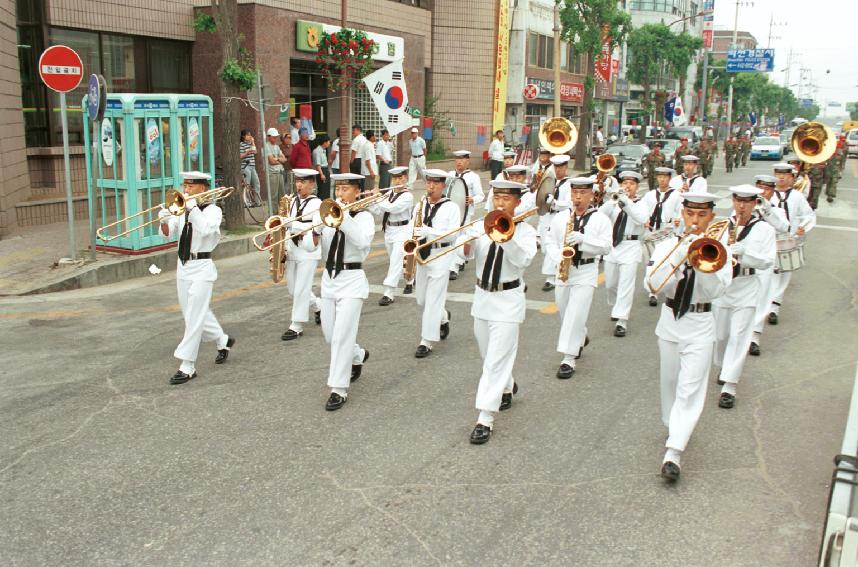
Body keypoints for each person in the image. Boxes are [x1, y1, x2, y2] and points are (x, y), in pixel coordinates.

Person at [645, 192, 733, 482]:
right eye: (690, 215)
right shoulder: (668, 245)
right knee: (669, 383)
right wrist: (678, 261)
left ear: (711, 217)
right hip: (670, 321)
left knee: (690, 389)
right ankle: (674, 427)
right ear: (683, 214)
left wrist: (699, 261)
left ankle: (674, 452)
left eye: (702, 216)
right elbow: (653, 286)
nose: (695, 221)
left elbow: (716, 291)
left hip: (700, 324)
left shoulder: (720, 250)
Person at [457, 180, 537, 445]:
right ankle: (507, 384)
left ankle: (484, 419)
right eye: (497, 197)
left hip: (508, 299)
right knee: (487, 354)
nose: (500, 203)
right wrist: (466, 243)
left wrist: (507, 236)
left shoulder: (525, 231)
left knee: (494, 361)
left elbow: (523, 260)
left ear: (517, 202)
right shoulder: (482, 225)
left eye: (506, 198)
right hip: (482, 297)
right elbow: (467, 255)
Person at [158, 171, 235, 385]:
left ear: (202, 188)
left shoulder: (213, 210)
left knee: (194, 316)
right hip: (183, 266)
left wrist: (191, 209)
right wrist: (164, 220)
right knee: (191, 313)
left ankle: (187, 365)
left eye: (190, 187)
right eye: (185, 186)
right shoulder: (183, 209)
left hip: (202, 267)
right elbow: (168, 234)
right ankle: (222, 339)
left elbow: (207, 229)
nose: (186, 190)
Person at [308, 172, 374, 411]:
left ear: (357, 191)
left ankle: (338, 388)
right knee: (329, 335)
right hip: (329, 279)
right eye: (338, 189)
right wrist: (314, 232)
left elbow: (362, 243)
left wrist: (342, 218)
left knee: (342, 336)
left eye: (345, 189)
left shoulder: (364, 217)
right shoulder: (327, 215)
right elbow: (313, 248)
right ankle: (357, 355)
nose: (340, 193)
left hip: (352, 280)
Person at [712, 185, 776, 410]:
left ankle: (730, 385)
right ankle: (723, 366)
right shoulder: (722, 227)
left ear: (754, 203)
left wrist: (744, 253)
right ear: (733, 200)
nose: (742, 206)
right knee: (720, 336)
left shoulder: (764, 230)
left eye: (747, 202)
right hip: (723, 286)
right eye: (738, 200)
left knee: (739, 336)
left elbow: (768, 261)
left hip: (747, 285)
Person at [543, 176, 612, 379]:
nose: (578, 197)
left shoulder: (601, 219)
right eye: (575, 193)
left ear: (591, 195)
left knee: (575, 313)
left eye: (583, 193)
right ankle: (580, 336)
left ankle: (568, 358)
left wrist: (584, 240)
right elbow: (550, 241)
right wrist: (558, 257)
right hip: (564, 270)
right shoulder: (561, 218)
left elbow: (607, 247)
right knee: (565, 311)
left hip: (586, 270)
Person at [411, 169, 461, 358]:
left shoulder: (451, 207)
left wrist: (429, 232)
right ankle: (443, 316)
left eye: (435, 184)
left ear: (444, 186)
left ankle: (426, 341)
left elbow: (454, 234)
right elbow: (413, 227)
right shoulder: (420, 205)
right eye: (428, 183)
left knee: (432, 300)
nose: (430, 187)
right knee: (422, 299)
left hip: (441, 253)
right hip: (423, 253)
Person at [599, 171, 649, 337]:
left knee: (626, 285)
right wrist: (613, 200)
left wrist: (626, 201)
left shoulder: (641, 203)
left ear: (637, 186)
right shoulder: (615, 201)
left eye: (631, 184)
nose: (627, 186)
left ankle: (622, 320)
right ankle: (616, 306)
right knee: (611, 284)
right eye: (625, 183)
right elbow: (599, 215)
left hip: (631, 245)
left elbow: (641, 218)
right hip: (613, 246)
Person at [767, 162, 816, 325]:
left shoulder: (797, 196)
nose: (781, 178)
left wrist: (803, 227)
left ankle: (774, 307)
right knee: (769, 274)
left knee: (783, 275)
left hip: (788, 239)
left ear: (791, 177)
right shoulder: (768, 195)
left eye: (785, 175)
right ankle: (768, 303)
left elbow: (808, 215)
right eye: (778, 174)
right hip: (769, 239)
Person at [748, 175, 790, 357]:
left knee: (762, 300)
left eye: (766, 189)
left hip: (765, 263)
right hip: (746, 259)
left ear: (772, 191)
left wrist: (766, 211)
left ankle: (754, 338)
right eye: (760, 188)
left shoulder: (776, 210)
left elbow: (783, 227)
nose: (763, 192)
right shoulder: (746, 208)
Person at [281, 169, 324, 341]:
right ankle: (319, 305)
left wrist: (293, 224)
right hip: (293, 248)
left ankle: (296, 325)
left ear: (312, 184)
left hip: (308, 250)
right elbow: (286, 226)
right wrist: (283, 246)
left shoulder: (318, 204)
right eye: (297, 181)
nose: (299, 185)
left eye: (303, 182)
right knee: (293, 289)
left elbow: (315, 228)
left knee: (301, 289)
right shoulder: (292, 201)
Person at [371, 166, 414, 306]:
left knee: (396, 260)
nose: (397, 181)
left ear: (405, 178)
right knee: (396, 261)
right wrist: (370, 201)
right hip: (389, 229)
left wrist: (377, 197)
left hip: (403, 230)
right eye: (395, 178)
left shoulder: (408, 196)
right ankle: (410, 280)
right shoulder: (389, 193)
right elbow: (380, 211)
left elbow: (391, 208)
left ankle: (388, 293)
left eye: (400, 178)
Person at [641, 167, 682, 307]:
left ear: (670, 178)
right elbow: (644, 211)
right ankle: (653, 291)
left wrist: (678, 220)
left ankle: (669, 287)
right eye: (659, 177)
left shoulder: (676, 195)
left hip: (667, 230)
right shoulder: (650, 195)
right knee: (651, 261)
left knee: (666, 261)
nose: (662, 179)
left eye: (665, 177)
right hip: (652, 229)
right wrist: (645, 220)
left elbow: (680, 212)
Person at [448, 150, 485, 279]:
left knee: (460, 238)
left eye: (463, 159)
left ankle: (454, 267)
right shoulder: (450, 175)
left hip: (465, 213)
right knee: (452, 238)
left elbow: (481, 195)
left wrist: (472, 199)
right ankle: (460, 260)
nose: (459, 162)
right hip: (451, 212)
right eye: (457, 159)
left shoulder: (473, 177)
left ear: (468, 161)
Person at [540, 154, 572, 292]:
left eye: (561, 167)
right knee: (545, 247)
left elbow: (569, 203)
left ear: (566, 167)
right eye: (556, 167)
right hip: (547, 217)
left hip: (560, 218)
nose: (558, 170)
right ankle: (552, 275)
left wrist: (554, 202)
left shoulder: (570, 184)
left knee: (555, 246)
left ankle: (551, 278)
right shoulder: (549, 181)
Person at [265, 127, 287, 202]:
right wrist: (279, 160)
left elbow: (284, 159)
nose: (275, 139)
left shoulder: (277, 147)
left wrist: (277, 159)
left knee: (282, 194)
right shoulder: (266, 146)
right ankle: (273, 212)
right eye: (274, 137)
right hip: (272, 173)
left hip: (279, 171)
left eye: (276, 137)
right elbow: (272, 162)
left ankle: (282, 212)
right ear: (269, 137)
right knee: (273, 195)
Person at [239, 129, 261, 203]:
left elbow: (255, 151)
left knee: (256, 183)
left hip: (252, 166)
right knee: (247, 184)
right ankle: (247, 202)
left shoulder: (250, 144)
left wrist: (253, 142)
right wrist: (247, 152)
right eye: (248, 135)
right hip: (245, 166)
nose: (250, 136)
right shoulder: (241, 144)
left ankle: (257, 201)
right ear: (243, 136)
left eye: (250, 135)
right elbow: (240, 156)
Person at [312, 135, 331, 200]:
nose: (329, 143)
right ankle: (320, 204)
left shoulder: (323, 150)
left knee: (327, 189)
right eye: (328, 142)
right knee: (322, 190)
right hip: (321, 171)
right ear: (324, 142)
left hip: (325, 169)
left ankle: (326, 204)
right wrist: (321, 174)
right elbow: (318, 164)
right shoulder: (317, 151)